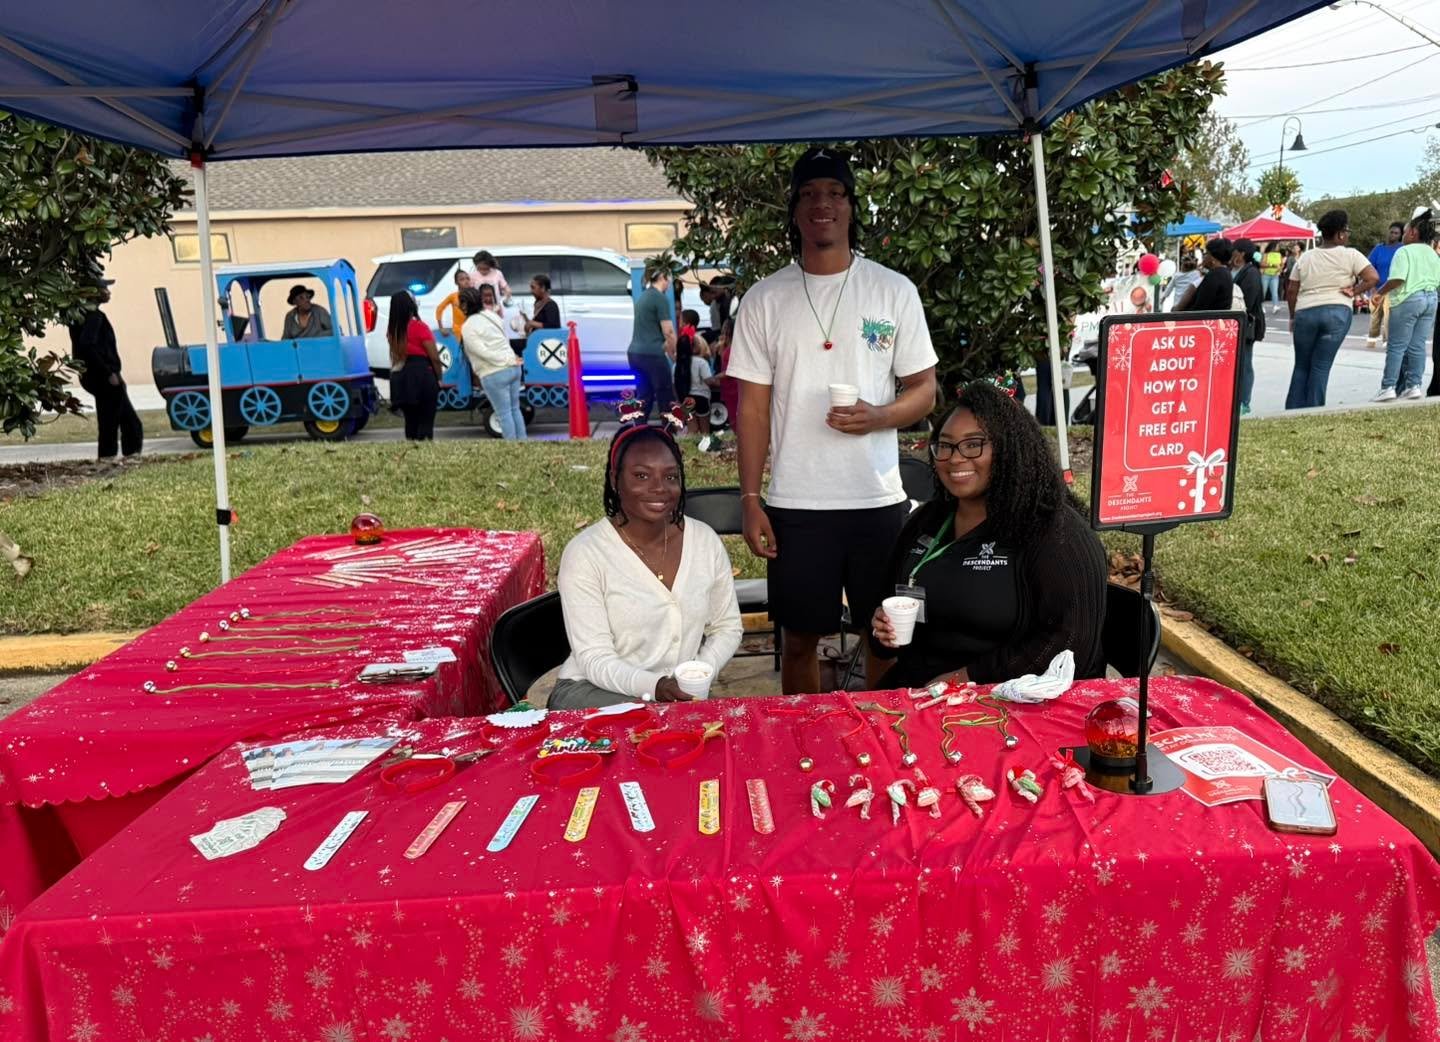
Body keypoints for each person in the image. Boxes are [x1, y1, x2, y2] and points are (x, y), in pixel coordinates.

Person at [729, 146, 938, 695]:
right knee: (799, 637)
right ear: (795, 210)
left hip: (876, 500)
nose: (823, 203)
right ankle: (802, 743)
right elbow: (751, 408)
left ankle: (883, 739)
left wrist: (879, 416)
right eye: (810, 194)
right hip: (797, 504)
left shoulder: (893, 291)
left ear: (851, 207)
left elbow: (925, 390)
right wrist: (751, 501)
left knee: (887, 634)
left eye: (835, 193)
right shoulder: (764, 299)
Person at [869, 382, 1106, 687]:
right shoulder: (927, 521)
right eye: (945, 445)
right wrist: (882, 631)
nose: (955, 458)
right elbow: (887, 610)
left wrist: (967, 678)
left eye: (973, 444)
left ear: (1010, 450)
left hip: (1009, 702)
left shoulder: (1054, 532)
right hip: (920, 693)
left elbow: (1072, 644)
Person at [549, 419, 742, 707]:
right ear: (615, 479)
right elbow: (594, 658)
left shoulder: (704, 541)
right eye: (641, 476)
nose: (659, 488)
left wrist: (700, 671)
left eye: (670, 476)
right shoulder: (586, 554)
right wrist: (656, 687)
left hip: (673, 697)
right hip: (591, 692)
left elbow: (727, 626)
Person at [1286, 210, 1378, 410]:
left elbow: (1292, 290)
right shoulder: (1351, 254)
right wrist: (1354, 291)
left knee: (1301, 365)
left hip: (1306, 312)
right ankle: (1314, 409)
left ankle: (1292, 410)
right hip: (1337, 311)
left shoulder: (1305, 258)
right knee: (1321, 366)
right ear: (1340, 234)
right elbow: (1372, 277)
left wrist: (1293, 316)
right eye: (1347, 231)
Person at [68, 270, 143, 460]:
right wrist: (108, 372)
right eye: (104, 288)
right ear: (92, 292)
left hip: (96, 376)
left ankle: (118, 454)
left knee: (117, 417)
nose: (108, 292)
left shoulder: (79, 316)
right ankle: (117, 455)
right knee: (119, 419)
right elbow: (88, 346)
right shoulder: (93, 317)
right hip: (102, 376)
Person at [1370, 210, 1439, 402]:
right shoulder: (1433, 253)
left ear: (1413, 233)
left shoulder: (1404, 251)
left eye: (1406, 231)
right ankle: (1413, 385)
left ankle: (1388, 386)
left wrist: (1379, 293)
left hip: (1408, 299)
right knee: (1417, 345)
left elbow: (1397, 279)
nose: (1403, 234)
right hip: (1430, 298)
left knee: (1397, 345)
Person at [461, 285, 527, 439]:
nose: (459, 306)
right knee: (514, 409)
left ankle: (513, 451)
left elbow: (482, 352)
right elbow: (504, 339)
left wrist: (503, 360)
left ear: (466, 304)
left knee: (503, 413)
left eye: (461, 303)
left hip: (494, 372)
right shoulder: (492, 315)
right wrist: (510, 359)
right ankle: (524, 445)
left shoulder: (468, 326)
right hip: (513, 367)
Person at [386, 291, 443, 440]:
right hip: (422, 375)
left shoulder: (392, 332)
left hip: (401, 377)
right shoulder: (419, 327)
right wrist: (439, 377)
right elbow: (434, 357)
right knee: (426, 421)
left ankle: (412, 452)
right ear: (411, 306)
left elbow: (397, 356)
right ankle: (424, 453)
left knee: (410, 422)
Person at [628, 265, 678, 421]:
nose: (669, 282)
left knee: (644, 395)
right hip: (653, 355)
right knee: (665, 395)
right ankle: (668, 433)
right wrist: (677, 354)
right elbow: (668, 332)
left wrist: (670, 353)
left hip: (635, 354)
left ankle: (639, 431)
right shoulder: (659, 298)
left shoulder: (643, 297)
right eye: (668, 278)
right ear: (662, 277)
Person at [1230, 238, 1265, 414]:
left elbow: (1248, 301)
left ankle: (1244, 400)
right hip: (1238, 323)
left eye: (1234, 250)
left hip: (1247, 324)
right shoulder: (1238, 270)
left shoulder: (1250, 273)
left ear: (1241, 253)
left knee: (1245, 362)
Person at [1365, 222, 1405, 348]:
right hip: (1377, 288)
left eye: (1396, 233)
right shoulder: (1378, 248)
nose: (1392, 235)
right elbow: (1369, 266)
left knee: (1389, 317)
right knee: (1375, 315)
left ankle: (1387, 341)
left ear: (1400, 235)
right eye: (1391, 232)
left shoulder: (1402, 249)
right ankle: (1371, 339)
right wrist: (1371, 287)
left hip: (1393, 289)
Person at [1175, 237, 1236, 311]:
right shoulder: (1225, 273)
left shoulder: (1214, 276)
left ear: (1213, 259)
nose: (1204, 257)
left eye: (1206, 254)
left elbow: (1199, 307)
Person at [434, 269, 473, 340]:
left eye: (468, 278)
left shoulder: (474, 295)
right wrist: (441, 328)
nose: (466, 281)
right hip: (459, 330)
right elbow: (439, 309)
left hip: (473, 329)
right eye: (462, 279)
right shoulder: (453, 296)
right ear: (456, 282)